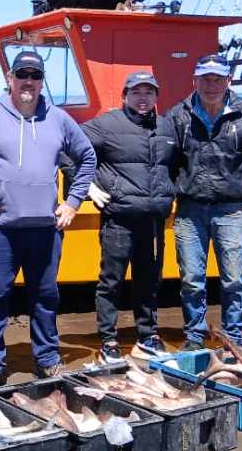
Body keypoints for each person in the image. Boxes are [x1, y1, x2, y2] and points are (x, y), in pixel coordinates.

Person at [0, 51, 96, 389]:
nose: (29, 81)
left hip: (45, 229)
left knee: (45, 297)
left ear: (42, 82)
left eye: (35, 76)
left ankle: (48, 359)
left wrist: (73, 202)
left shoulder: (59, 119)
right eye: (22, 74)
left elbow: (87, 157)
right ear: (10, 78)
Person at [168, 54, 242, 351]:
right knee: (191, 278)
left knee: (234, 280)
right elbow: (165, 163)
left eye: (217, 79)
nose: (211, 85)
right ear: (195, 81)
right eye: (205, 78)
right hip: (189, 211)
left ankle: (234, 337)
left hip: (232, 211)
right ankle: (194, 336)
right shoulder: (179, 115)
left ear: (229, 81)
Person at [82, 71, 177, 364]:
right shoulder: (106, 124)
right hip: (119, 218)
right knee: (111, 281)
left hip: (153, 221)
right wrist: (86, 186)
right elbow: (67, 148)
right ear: (125, 95)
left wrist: (170, 193)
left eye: (149, 92)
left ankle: (148, 336)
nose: (143, 98)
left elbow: (178, 164)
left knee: (149, 280)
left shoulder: (167, 127)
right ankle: (109, 341)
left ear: (156, 97)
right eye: (137, 92)